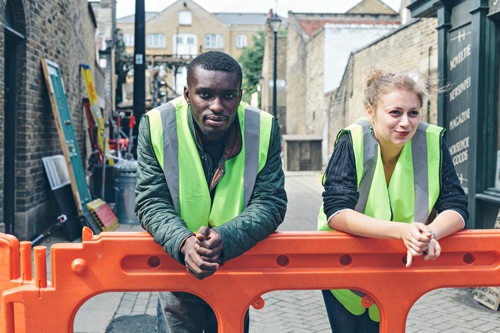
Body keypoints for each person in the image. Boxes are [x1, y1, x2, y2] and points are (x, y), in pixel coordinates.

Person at [135, 51, 287, 333]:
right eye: (204, 94)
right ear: (186, 94)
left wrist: (225, 238)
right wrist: (184, 242)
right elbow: (150, 200)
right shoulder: (157, 125)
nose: (217, 106)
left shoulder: (263, 127)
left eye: (228, 96)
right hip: (178, 263)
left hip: (233, 260)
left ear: (240, 96)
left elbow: (271, 201)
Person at [317, 70, 468, 332]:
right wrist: (404, 231)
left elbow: (456, 206)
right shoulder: (352, 139)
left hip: (395, 264)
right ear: (370, 111)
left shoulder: (432, 141)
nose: (406, 123)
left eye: (413, 112)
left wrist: (429, 234)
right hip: (343, 264)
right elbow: (336, 210)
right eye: (395, 113)